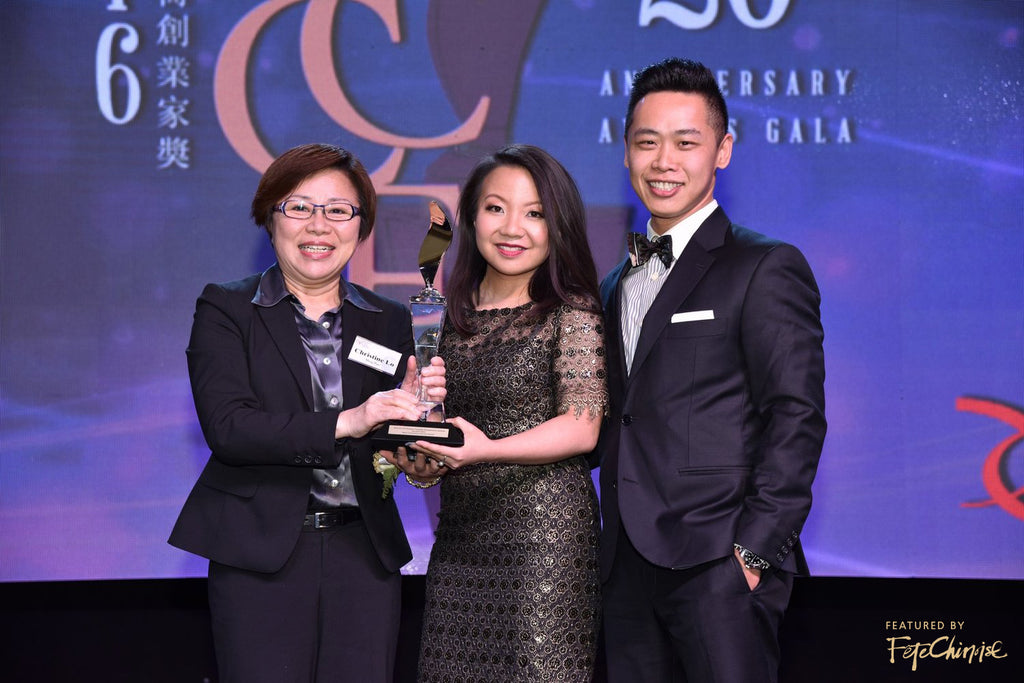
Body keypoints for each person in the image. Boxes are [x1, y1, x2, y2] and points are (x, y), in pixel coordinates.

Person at [168, 143, 446, 683]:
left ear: (360, 227)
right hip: (260, 554)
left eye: (338, 210)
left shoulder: (390, 319)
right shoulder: (227, 308)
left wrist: (420, 427)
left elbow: (391, 450)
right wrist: (349, 421)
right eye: (299, 207)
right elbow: (230, 428)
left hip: (364, 553)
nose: (319, 225)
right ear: (269, 218)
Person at [596, 58, 827, 683]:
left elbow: (796, 415)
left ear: (722, 151)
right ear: (626, 152)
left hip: (718, 564)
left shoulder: (765, 265)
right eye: (647, 142)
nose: (663, 161)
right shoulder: (615, 282)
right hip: (624, 568)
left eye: (686, 142)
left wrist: (754, 552)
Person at [406, 144, 607, 682]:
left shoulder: (572, 310)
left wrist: (485, 450)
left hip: (545, 542)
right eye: (496, 208)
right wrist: (420, 460)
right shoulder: (445, 317)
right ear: (471, 217)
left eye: (535, 213)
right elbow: (439, 431)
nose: (513, 227)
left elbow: (582, 426)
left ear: (558, 225)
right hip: (461, 538)